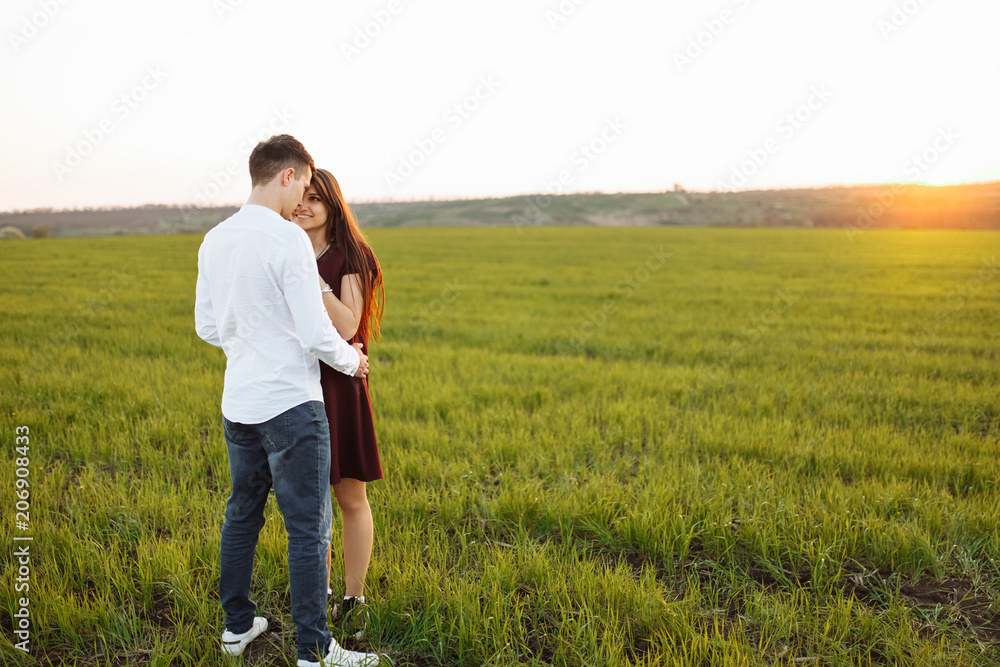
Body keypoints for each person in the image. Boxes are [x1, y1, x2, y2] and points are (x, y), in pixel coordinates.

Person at [194, 134, 380, 667]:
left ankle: (236, 628)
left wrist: (251, 340)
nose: (301, 197)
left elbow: (208, 327)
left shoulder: (215, 239)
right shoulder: (287, 240)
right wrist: (353, 363)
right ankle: (314, 652)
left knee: (241, 516)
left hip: (239, 404)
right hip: (292, 405)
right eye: (301, 182)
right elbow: (319, 333)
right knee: (307, 526)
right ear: (287, 175)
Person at [291, 168, 384, 639]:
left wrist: (312, 276)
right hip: (296, 384)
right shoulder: (286, 250)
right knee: (311, 502)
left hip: (340, 385)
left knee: (349, 496)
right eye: (300, 197)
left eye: (315, 199)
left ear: (332, 205)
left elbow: (348, 327)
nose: (304, 206)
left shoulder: (351, 255)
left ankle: (354, 596)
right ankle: (318, 590)